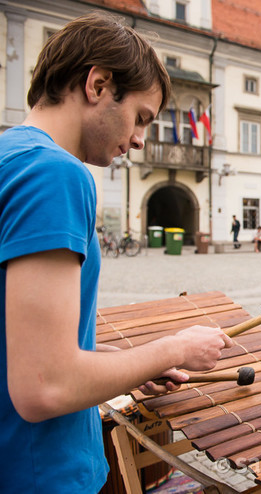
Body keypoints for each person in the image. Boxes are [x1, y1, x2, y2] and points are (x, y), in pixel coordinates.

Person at [0, 13, 234, 492]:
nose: (138, 139)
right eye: (141, 118)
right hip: (42, 473)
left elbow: (20, 347)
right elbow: (44, 385)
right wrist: (175, 347)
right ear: (98, 85)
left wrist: (140, 361)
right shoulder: (55, 174)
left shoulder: (11, 158)